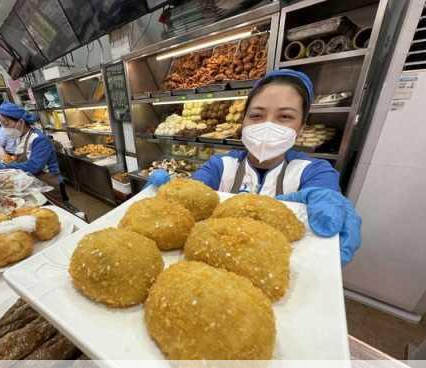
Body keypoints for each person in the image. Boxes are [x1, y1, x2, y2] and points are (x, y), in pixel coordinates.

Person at [149, 69, 362, 266]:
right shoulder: (220, 165)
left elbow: (325, 200)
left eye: (285, 117)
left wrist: (329, 207)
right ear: (244, 121)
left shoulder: (314, 172)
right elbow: (191, 195)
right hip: (216, 263)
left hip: (282, 268)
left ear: (302, 126)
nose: (267, 125)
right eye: (256, 115)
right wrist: (170, 197)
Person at [0, 101, 61, 186]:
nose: (4, 129)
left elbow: (33, 166)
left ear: (21, 122)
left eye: (6, 124)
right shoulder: (20, 137)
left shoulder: (39, 139)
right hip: (34, 182)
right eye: (2, 125)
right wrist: (10, 161)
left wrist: (4, 167)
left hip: (49, 184)